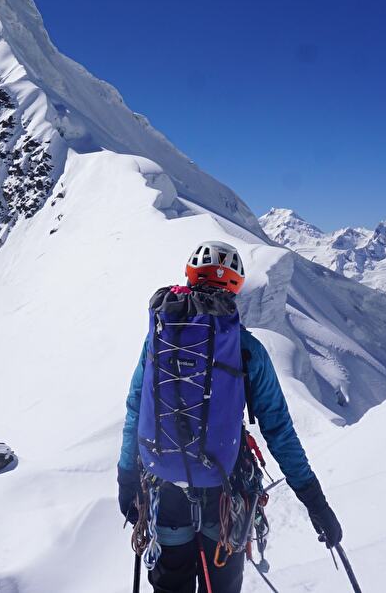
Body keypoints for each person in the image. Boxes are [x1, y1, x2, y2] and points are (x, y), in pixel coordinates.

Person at [116, 240, 342, 593]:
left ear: (189, 279)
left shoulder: (157, 340)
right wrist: (314, 501)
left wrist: (126, 480)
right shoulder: (247, 350)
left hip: (165, 488)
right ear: (235, 288)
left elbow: (135, 409)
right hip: (225, 495)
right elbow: (278, 430)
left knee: (170, 584)